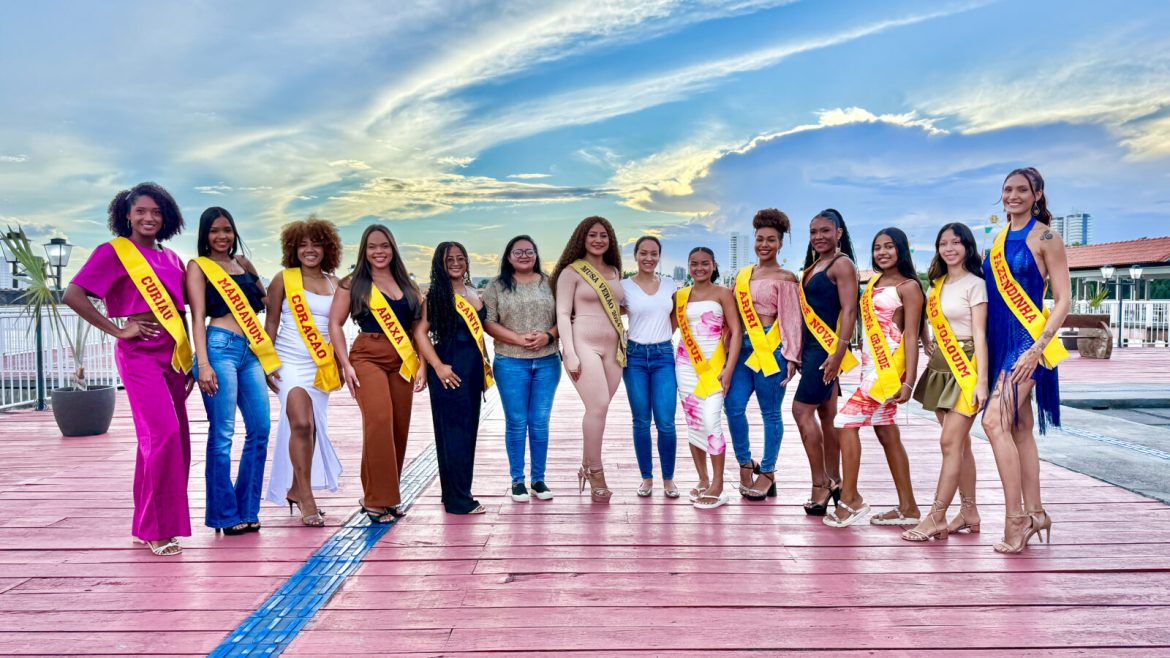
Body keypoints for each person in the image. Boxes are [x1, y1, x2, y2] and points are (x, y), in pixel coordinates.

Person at [63, 182, 194, 556]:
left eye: (156, 212)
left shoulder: (173, 259)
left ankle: (144, 524)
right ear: (127, 215)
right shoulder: (113, 252)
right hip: (139, 355)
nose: (149, 218)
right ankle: (157, 530)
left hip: (174, 356)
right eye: (141, 211)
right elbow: (73, 295)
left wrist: (188, 361)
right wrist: (118, 330)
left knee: (169, 439)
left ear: (167, 217)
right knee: (164, 434)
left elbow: (180, 311)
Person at [982, 167, 1070, 553]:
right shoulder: (998, 238)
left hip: (1029, 345)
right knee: (1019, 428)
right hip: (1001, 342)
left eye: (1022, 190)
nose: (1013, 195)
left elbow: (1063, 299)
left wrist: (1038, 348)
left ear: (1037, 194)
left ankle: (1015, 518)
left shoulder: (1047, 237)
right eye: (1007, 189)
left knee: (993, 421)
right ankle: (1036, 513)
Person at [826, 228, 924, 528]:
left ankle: (851, 499)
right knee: (886, 432)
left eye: (889, 247)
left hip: (889, 370)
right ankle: (909, 508)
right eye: (877, 247)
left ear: (901, 249)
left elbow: (911, 336)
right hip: (870, 367)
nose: (882, 252)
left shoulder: (909, 287)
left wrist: (909, 381)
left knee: (844, 421)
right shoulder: (874, 283)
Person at [185, 207, 272, 535]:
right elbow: (197, 317)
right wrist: (203, 363)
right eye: (214, 230)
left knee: (260, 429)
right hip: (218, 349)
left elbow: (268, 302)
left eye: (227, 230)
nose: (222, 236)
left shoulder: (244, 264)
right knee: (222, 433)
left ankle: (248, 509)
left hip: (251, 352)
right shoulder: (199, 266)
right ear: (205, 235)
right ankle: (224, 515)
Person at [329, 225, 424, 523]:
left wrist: (422, 363)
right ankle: (375, 499)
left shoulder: (408, 284)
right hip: (367, 356)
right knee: (379, 421)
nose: (379, 252)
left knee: (398, 426)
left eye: (384, 246)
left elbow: (418, 329)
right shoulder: (353, 283)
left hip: (403, 359)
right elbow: (335, 324)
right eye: (372, 247)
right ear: (364, 251)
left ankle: (387, 496)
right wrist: (345, 364)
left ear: (392, 248)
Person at [903, 222, 988, 541]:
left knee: (949, 443)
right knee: (960, 445)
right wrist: (927, 342)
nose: (949, 248)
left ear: (967, 246)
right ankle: (969, 511)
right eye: (943, 243)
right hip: (941, 365)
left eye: (956, 242)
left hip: (967, 364)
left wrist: (981, 380)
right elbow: (926, 322)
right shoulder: (936, 284)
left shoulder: (976, 284)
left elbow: (980, 334)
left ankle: (936, 516)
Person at [263, 217, 345, 526]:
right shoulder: (283, 279)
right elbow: (271, 322)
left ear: (328, 248)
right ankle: (307, 498)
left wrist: (342, 364)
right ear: (292, 249)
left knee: (312, 428)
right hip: (288, 362)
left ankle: (297, 489)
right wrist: (266, 363)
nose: (310, 250)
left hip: (320, 366)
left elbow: (337, 327)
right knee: (301, 423)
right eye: (302, 244)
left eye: (316, 244)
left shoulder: (336, 284)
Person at [725, 210, 803, 502]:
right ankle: (745, 463)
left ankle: (768, 472)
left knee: (770, 413)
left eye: (771, 239)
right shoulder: (743, 275)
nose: (764, 245)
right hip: (742, 348)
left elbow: (792, 319)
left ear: (780, 243)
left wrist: (791, 356)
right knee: (732, 406)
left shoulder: (786, 278)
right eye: (760, 239)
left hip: (771, 349)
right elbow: (731, 313)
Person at [551, 217, 626, 503]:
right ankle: (596, 472)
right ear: (582, 238)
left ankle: (586, 464)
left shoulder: (615, 271)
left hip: (614, 347)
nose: (598, 240)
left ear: (610, 240)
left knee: (599, 411)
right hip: (583, 345)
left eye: (603, 235)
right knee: (598, 406)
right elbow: (562, 314)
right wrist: (569, 352)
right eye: (592, 235)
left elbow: (620, 307)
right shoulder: (571, 272)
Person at [414, 241, 491, 515]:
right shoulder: (437, 295)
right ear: (440, 265)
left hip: (471, 371)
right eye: (449, 260)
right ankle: (459, 500)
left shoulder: (472, 292)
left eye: (461, 258)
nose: (456, 263)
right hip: (449, 371)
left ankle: (453, 493)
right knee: (454, 435)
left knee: (466, 433)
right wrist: (436, 366)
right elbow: (420, 332)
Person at [482, 235, 560, 503]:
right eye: (518, 252)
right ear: (508, 256)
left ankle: (538, 479)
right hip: (510, 362)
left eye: (529, 251)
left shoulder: (551, 282)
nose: (524, 255)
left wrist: (548, 336)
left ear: (536, 254)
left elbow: (565, 316)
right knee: (516, 422)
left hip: (547, 361)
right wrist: (518, 339)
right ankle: (517, 480)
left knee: (539, 422)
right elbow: (488, 322)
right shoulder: (496, 286)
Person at [792, 209, 858, 516]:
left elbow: (849, 310)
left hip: (827, 351)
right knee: (827, 416)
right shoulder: (815, 265)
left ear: (839, 233)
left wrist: (838, 353)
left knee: (800, 411)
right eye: (813, 232)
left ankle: (820, 483)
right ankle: (835, 480)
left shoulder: (842, 264)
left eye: (825, 231)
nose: (818, 237)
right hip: (812, 349)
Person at [675, 247, 742, 509]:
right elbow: (662, 325)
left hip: (714, 367)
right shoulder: (680, 296)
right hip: (685, 366)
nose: (699, 268)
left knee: (711, 420)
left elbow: (736, 332)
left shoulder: (723, 294)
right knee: (694, 423)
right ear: (688, 265)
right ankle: (703, 479)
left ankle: (718, 484)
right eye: (694, 263)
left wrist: (729, 368)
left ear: (714, 265)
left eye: (705, 263)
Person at [620, 236, 679, 498]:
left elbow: (676, 315)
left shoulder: (669, 284)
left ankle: (668, 479)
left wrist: (663, 336)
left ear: (659, 256)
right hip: (634, 357)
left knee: (666, 421)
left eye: (653, 253)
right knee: (641, 420)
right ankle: (647, 478)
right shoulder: (624, 286)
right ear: (635, 255)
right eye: (643, 253)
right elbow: (609, 314)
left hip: (663, 355)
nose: (648, 258)